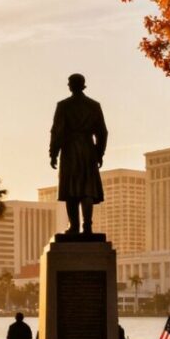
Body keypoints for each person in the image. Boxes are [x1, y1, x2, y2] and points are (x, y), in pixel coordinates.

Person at [49, 73, 108, 235]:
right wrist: (99, 152)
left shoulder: (63, 106)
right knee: (87, 189)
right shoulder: (94, 106)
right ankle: (87, 226)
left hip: (69, 150)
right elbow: (102, 132)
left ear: (71, 85)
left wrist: (53, 153)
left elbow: (57, 132)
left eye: (69, 83)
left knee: (71, 190)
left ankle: (74, 226)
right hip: (88, 150)